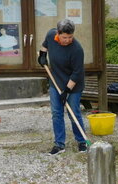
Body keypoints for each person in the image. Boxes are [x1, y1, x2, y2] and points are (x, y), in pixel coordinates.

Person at [38, 19, 86, 155]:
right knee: (56, 113)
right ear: (58, 33)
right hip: (56, 81)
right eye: (65, 37)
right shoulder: (50, 35)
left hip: (74, 85)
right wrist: (42, 56)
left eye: (70, 37)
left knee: (73, 113)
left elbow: (77, 73)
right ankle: (59, 144)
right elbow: (44, 46)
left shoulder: (77, 49)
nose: (67, 40)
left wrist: (67, 90)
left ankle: (82, 141)